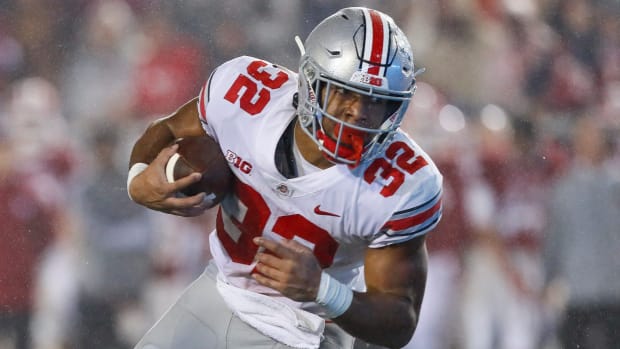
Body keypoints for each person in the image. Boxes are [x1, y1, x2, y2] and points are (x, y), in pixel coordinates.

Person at [127, 7, 443, 349]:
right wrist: (139, 179)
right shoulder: (244, 94)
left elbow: (400, 321)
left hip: (303, 328)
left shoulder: (404, 184)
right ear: (311, 83)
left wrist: (323, 289)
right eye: (345, 93)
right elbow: (168, 128)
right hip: (216, 292)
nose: (359, 114)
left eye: (376, 101)